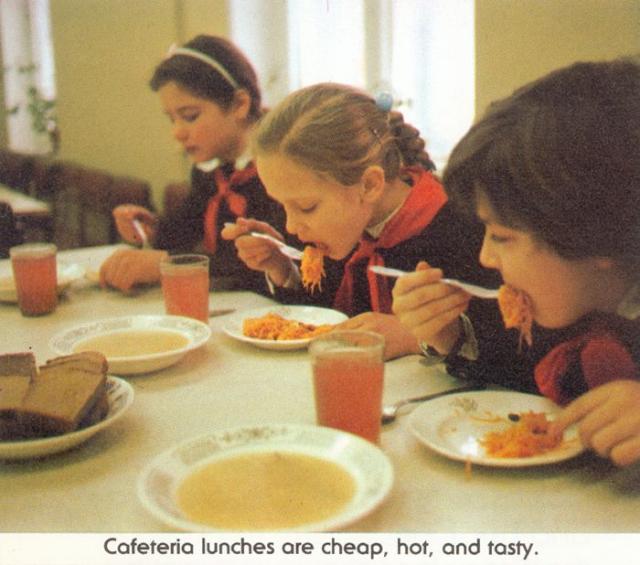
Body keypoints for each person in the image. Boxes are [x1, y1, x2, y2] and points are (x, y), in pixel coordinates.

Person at [392, 57, 640, 465]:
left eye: (502, 237)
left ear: (596, 234)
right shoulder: (569, 301)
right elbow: (515, 372)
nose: (485, 257)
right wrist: (451, 337)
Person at [223, 82, 499, 360]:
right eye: (282, 205)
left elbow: (508, 350)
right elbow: (327, 316)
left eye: (306, 207)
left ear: (369, 185)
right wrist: (284, 270)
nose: (291, 226)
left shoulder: (464, 231)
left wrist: (415, 338)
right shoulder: (351, 226)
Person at [100, 35, 286, 294]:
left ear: (240, 104)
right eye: (172, 119)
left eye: (189, 116)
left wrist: (169, 264)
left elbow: (264, 264)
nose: (177, 132)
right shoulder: (210, 170)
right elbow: (184, 231)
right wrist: (150, 230)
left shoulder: (281, 169)